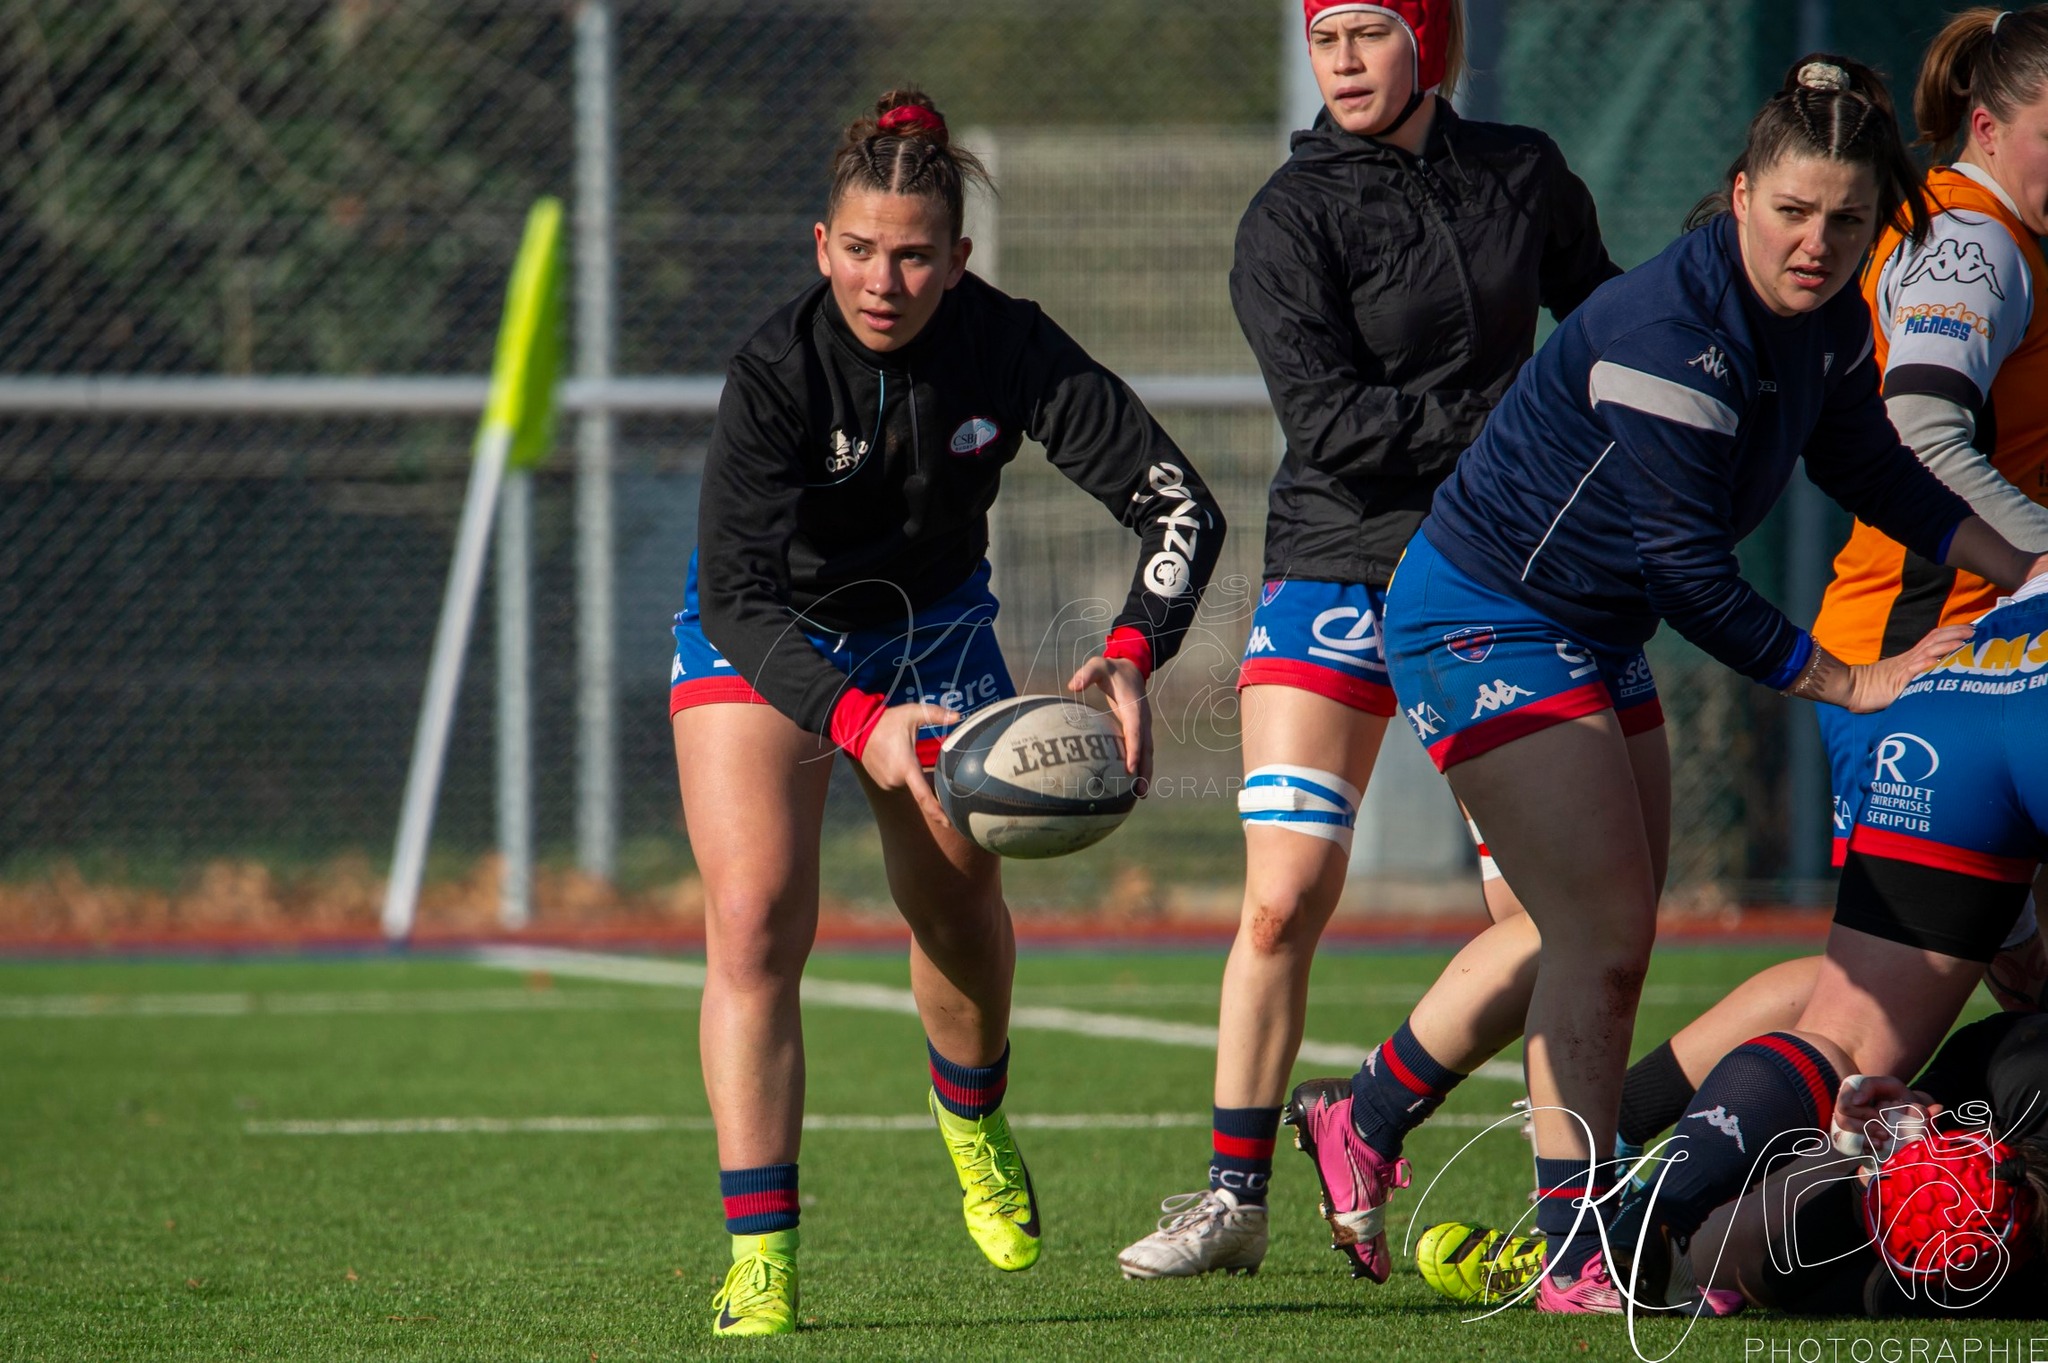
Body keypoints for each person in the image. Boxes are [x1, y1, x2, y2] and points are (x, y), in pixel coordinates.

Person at [1282, 54, 2048, 1315]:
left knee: (1589, 935)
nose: (1816, 242)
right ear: (1738, 192)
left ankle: (1361, 1115)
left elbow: (1878, 470)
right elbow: (1689, 573)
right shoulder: (1670, 335)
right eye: (1791, 212)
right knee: (1600, 931)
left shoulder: (1826, 316)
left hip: (1585, 628)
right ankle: (1575, 1254)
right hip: (1483, 619)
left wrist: (2023, 569)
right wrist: (1847, 681)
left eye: (1846, 220)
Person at [674, 88, 1225, 1336]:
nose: (885, 279)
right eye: (859, 250)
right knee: (755, 916)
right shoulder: (773, 372)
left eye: (915, 253)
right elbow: (737, 600)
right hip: (771, 632)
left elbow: (1179, 503)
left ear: (958, 259)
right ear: (822, 247)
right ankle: (761, 1252)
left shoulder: (1005, 344)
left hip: (933, 627)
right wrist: (857, 717)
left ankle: (970, 1115)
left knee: (960, 904)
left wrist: (1137, 649)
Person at [1117, 0, 1618, 1282]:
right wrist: (1516, 425)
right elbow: (1333, 426)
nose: (1339, 61)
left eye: (1369, 33)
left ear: (1427, 42)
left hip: (1497, 577)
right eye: (1324, 36)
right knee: (1281, 898)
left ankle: (1398, 1125)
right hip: (1337, 564)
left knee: (1551, 917)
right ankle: (1233, 1199)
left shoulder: (1520, 173)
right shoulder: (1286, 219)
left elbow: (1606, 326)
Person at [1614, 570, 2048, 1312]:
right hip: (1955, 668)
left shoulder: (1997, 1084)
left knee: (1841, 1028)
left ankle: (1660, 1199)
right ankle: (1659, 1192)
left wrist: (1858, 1154)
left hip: (1972, 674)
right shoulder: (2001, 1083)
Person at [1810, 5, 2048, 868]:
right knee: (1880, 992)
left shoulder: (2014, 231)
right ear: (1986, 127)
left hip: (1995, 657)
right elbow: (1919, 433)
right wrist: (2041, 560)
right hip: (1915, 654)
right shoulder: (1972, 239)